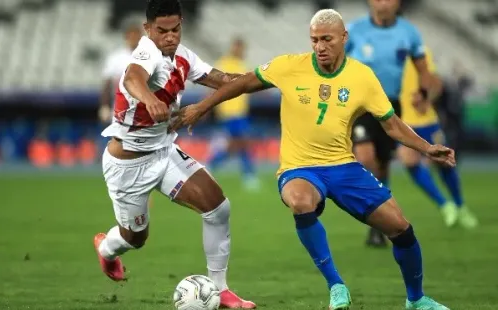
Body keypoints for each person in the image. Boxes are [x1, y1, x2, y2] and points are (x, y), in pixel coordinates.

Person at [170, 8, 452, 310]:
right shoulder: (289, 67)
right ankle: (336, 285)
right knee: (301, 202)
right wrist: (201, 107)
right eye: (314, 40)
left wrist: (426, 148)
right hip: (299, 167)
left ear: (344, 38)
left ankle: (416, 298)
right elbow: (241, 83)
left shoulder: (362, 77)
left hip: (343, 166)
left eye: (327, 39)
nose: (319, 46)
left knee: (401, 229)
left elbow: (392, 124)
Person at [94, 0, 255, 308]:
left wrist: (265, 79)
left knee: (218, 208)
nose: (170, 37)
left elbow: (223, 80)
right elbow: (132, 78)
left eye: (176, 29)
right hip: (126, 165)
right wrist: (148, 99)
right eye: (162, 31)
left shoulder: (182, 55)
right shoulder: (146, 51)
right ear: (147, 29)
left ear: (182, 24)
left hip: (164, 152)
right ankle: (106, 249)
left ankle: (220, 291)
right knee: (135, 238)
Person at [345, 0, 441, 247]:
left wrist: (423, 92)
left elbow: (424, 71)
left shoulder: (408, 32)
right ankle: (376, 219)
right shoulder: (354, 31)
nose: (383, 3)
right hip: (360, 106)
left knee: (383, 167)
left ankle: (379, 225)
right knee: (365, 157)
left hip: (390, 106)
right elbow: (337, 65)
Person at [399, 47, 478, 228]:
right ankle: (445, 205)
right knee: (409, 162)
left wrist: (427, 99)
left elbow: (436, 83)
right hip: (403, 122)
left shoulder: (419, 51)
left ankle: (460, 206)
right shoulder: (385, 57)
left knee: (443, 163)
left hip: (427, 121)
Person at [210, 37, 259, 190]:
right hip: (229, 112)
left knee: (236, 146)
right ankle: (248, 175)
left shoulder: (243, 65)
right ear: (233, 48)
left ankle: (212, 165)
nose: (240, 51)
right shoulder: (223, 64)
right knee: (243, 142)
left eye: (242, 48)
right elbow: (213, 85)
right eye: (238, 47)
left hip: (240, 113)